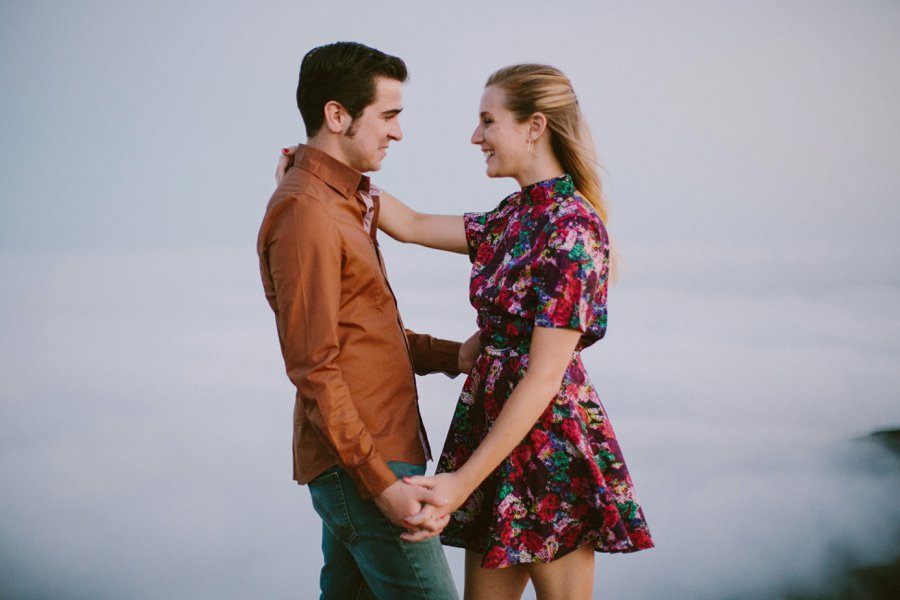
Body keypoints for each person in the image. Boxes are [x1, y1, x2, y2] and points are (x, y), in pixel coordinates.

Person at [375, 64, 655, 600]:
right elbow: (408, 225)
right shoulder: (513, 217)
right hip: (495, 432)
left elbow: (545, 377)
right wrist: (326, 170)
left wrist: (461, 483)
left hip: (548, 443)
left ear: (534, 125)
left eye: (488, 121)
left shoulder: (573, 227)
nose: (475, 136)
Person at [258, 41, 477, 600]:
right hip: (365, 465)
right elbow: (314, 366)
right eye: (388, 115)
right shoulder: (307, 210)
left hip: (375, 454)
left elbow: (363, 335)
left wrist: (455, 356)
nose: (398, 133)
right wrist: (383, 486)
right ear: (337, 115)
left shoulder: (344, 202)